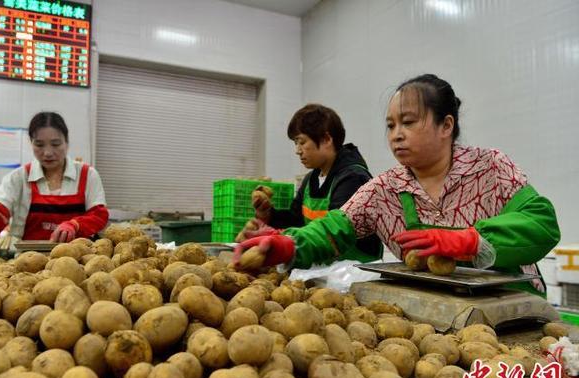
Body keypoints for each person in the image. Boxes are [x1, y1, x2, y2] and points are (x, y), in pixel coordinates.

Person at [235, 74, 560, 295]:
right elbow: (334, 227)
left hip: (514, 313)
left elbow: (541, 223)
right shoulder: (384, 190)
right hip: (436, 319)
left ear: (446, 125)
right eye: (390, 125)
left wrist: (471, 241)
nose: (396, 134)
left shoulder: (490, 168)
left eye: (408, 122)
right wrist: (290, 245)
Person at [240, 103, 382, 264]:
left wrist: (286, 242)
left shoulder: (353, 178)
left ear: (327, 139)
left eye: (301, 142)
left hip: (354, 271)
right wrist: (268, 214)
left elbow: (335, 231)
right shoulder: (310, 179)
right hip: (324, 266)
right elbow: (296, 220)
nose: (297, 150)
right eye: (295, 143)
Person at [0, 112, 109, 251]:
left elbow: (99, 214)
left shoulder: (87, 175)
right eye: (39, 145)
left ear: (67, 143)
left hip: (77, 259)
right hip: (26, 260)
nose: (47, 152)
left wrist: (75, 225)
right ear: (31, 143)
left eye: (55, 144)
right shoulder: (19, 177)